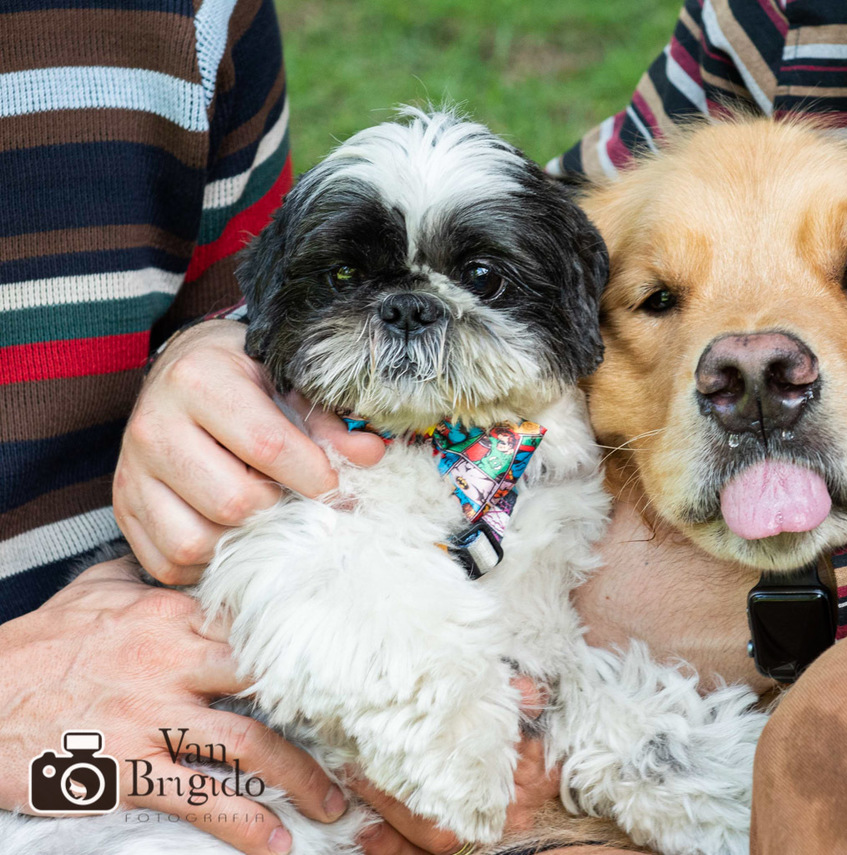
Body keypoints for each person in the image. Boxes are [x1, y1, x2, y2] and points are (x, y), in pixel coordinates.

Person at [5, 1, 847, 854]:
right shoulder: (787, 18)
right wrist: (226, 353)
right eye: (661, 302)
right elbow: (522, 237)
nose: (751, 358)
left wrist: (807, 598)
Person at [0, 3, 553, 855]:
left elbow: (256, 305)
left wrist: (203, 349)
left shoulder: (197, 15)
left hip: (208, 679)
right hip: (77, 780)